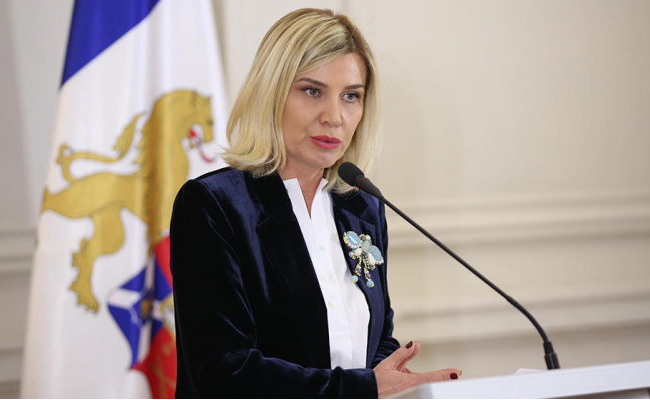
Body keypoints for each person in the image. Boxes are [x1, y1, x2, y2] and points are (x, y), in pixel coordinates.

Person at [170, 8, 461, 399]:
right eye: (312, 91)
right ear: (271, 93)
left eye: (351, 96)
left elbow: (376, 338)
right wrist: (362, 387)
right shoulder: (215, 205)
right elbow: (224, 370)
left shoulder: (362, 207)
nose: (335, 117)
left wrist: (391, 372)